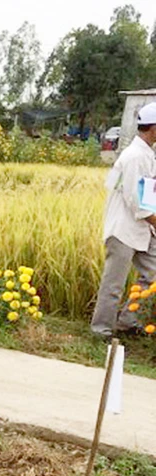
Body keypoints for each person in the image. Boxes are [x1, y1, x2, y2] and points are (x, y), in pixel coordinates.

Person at [90, 101, 156, 339]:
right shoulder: (135, 157)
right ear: (153, 128)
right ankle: (101, 329)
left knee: (153, 275)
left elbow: (149, 195)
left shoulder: (147, 154)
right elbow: (136, 200)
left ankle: (128, 320)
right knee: (113, 283)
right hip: (124, 230)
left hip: (143, 229)